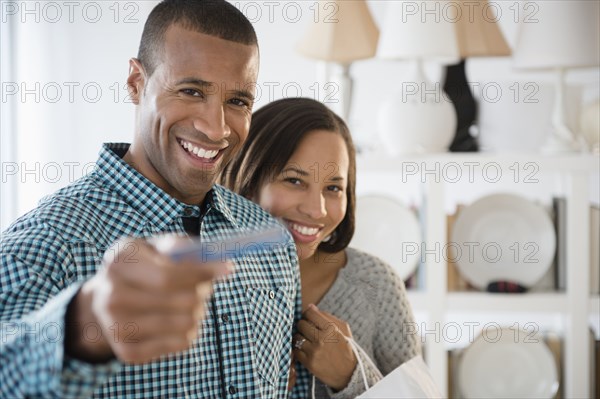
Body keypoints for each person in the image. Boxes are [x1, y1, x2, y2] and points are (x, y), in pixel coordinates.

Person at [0, 1, 303, 398]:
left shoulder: (268, 239)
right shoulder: (45, 242)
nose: (216, 128)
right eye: (192, 91)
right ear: (136, 83)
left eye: (238, 102)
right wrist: (84, 325)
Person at [221, 97, 422, 398]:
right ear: (248, 179)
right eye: (294, 181)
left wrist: (351, 375)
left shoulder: (375, 285)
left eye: (333, 188)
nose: (317, 211)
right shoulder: (205, 279)